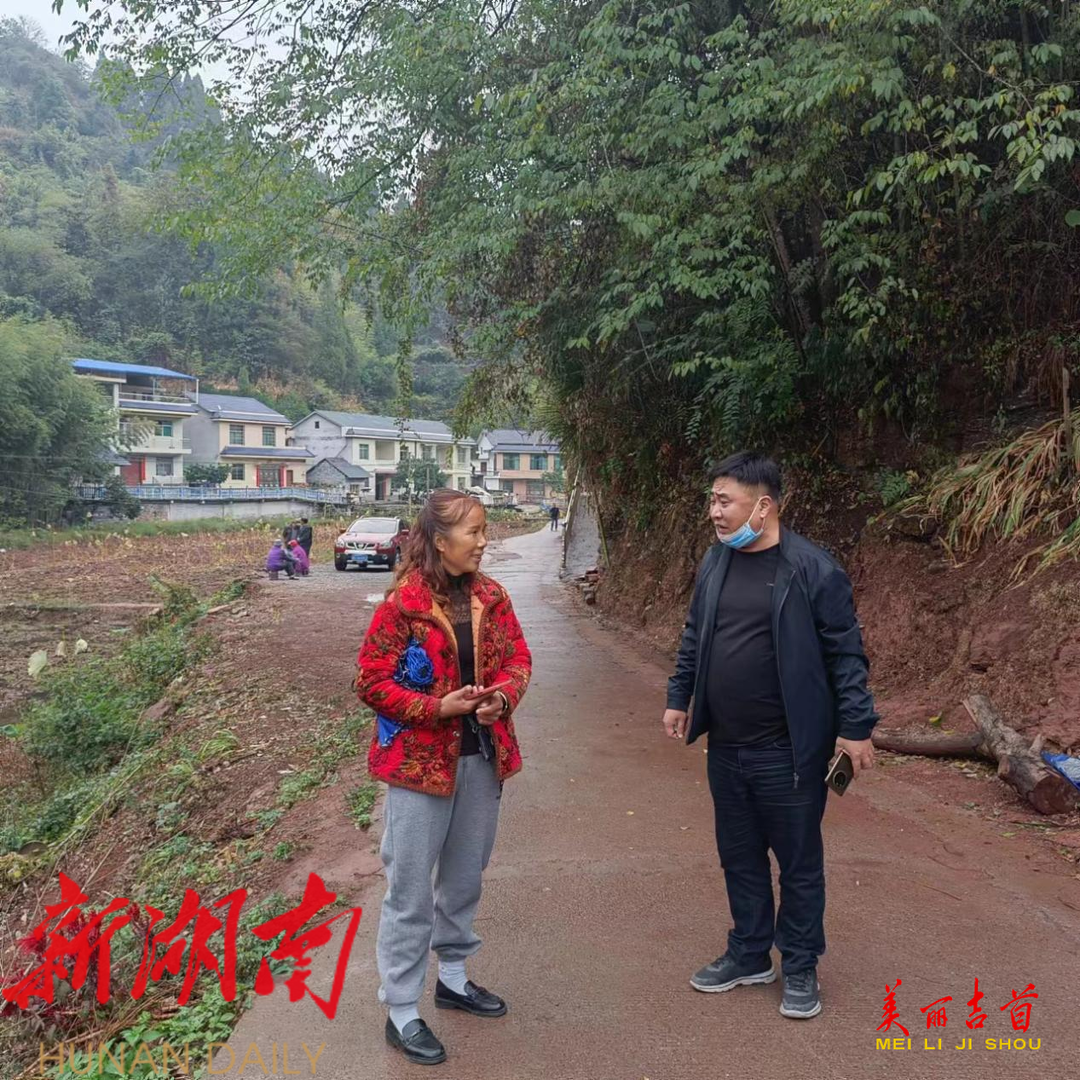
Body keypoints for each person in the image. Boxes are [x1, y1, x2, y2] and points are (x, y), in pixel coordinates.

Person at [661, 452, 878, 1021]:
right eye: (712, 500)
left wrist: (855, 729)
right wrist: (679, 696)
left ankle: (800, 964)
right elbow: (694, 635)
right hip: (726, 745)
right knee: (739, 855)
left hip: (790, 751)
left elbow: (846, 655)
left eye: (724, 501)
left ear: (763, 505)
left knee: (798, 862)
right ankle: (750, 952)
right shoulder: (716, 561)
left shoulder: (813, 569)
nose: (714, 512)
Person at [355, 489, 532, 1066]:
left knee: (463, 878)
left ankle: (452, 979)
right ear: (439, 540)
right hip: (418, 769)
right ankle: (402, 1009)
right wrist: (437, 708)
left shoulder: (492, 597)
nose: (483, 541)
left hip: (481, 758)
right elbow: (370, 681)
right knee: (409, 891)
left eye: (484, 530)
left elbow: (518, 660)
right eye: (473, 531)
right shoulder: (401, 605)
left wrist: (501, 698)